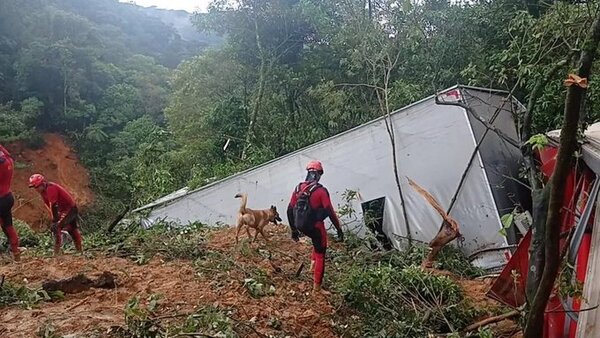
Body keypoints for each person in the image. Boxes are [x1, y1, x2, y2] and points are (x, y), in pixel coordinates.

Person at [287, 160, 344, 293]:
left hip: (300, 225)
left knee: (315, 240)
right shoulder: (321, 191)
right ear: (319, 174)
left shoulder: (298, 188)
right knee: (321, 252)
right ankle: (317, 288)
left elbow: (289, 210)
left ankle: (312, 265)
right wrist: (339, 229)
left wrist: (294, 230)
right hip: (315, 227)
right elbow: (330, 211)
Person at [28, 174, 82, 255]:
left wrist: (55, 219)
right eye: (34, 187)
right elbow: (48, 205)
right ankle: (79, 251)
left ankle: (56, 253)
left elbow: (53, 205)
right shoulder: (42, 192)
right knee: (72, 229)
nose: (36, 189)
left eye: (37, 187)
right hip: (64, 209)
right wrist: (53, 216)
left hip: (70, 209)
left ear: (42, 184)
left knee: (56, 227)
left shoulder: (50, 188)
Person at [0, 145, 20, 261]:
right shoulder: (8, 161)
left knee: (6, 226)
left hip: (0, 200)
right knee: (8, 226)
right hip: (7, 197)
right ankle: (16, 253)